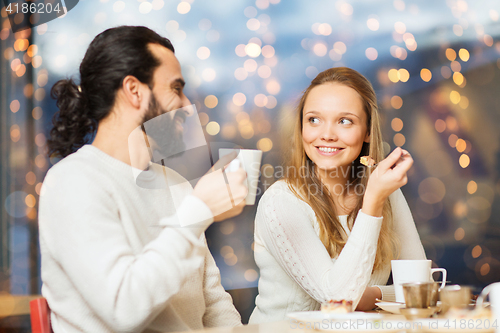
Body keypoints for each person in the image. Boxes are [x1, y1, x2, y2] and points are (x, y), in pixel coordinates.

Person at [39, 26, 248, 332]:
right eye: (176, 88)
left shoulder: (174, 183)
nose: (186, 104)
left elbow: (213, 304)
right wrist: (198, 211)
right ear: (134, 91)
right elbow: (124, 309)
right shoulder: (73, 182)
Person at [249, 67, 426, 323]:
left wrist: (371, 295)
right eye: (314, 119)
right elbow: (339, 299)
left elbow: (420, 286)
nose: (327, 134)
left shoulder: (384, 190)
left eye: (345, 121)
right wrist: (372, 203)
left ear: (367, 131)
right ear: (300, 127)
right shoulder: (280, 203)